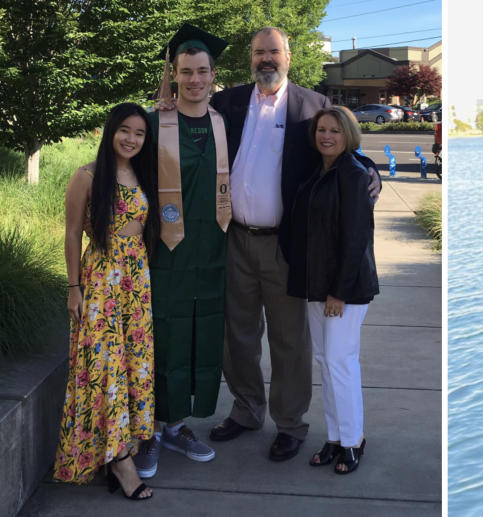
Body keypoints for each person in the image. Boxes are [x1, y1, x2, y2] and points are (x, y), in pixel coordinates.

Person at [207, 27, 380, 461]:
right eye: (259, 52)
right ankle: (246, 410)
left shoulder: (314, 106)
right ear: (252, 58)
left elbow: (353, 155)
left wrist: (367, 185)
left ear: (288, 55)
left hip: (287, 246)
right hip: (235, 239)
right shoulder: (226, 103)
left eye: (273, 52)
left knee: (290, 342)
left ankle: (290, 424)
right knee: (238, 336)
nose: (266, 59)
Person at [132, 24, 232, 478]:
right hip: (163, 251)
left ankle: (177, 425)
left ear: (213, 75)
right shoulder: (153, 123)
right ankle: (149, 431)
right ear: (173, 75)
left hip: (211, 248)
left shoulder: (220, 122)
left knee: (198, 333)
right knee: (162, 335)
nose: (195, 79)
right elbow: (118, 162)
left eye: (202, 71)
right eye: (186, 71)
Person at [55, 102, 160, 500]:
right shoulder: (87, 175)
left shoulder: (142, 173)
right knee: (104, 368)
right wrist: (73, 287)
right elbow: (70, 235)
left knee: (132, 366)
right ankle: (121, 463)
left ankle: (121, 448)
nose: (132, 139)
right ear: (110, 131)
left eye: (140, 133)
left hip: (137, 280)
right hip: (101, 279)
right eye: (125, 131)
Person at [288, 106, 379, 474]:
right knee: (327, 363)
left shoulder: (354, 175)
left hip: (344, 289)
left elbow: (357, 239)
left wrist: (338, 292)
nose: (327, 136)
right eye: (322, 130)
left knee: (340, 363)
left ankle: (353, 440)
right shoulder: (318, 172)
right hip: (317, 286)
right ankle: (336, 437)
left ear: (349, 137)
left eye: (335, 131)